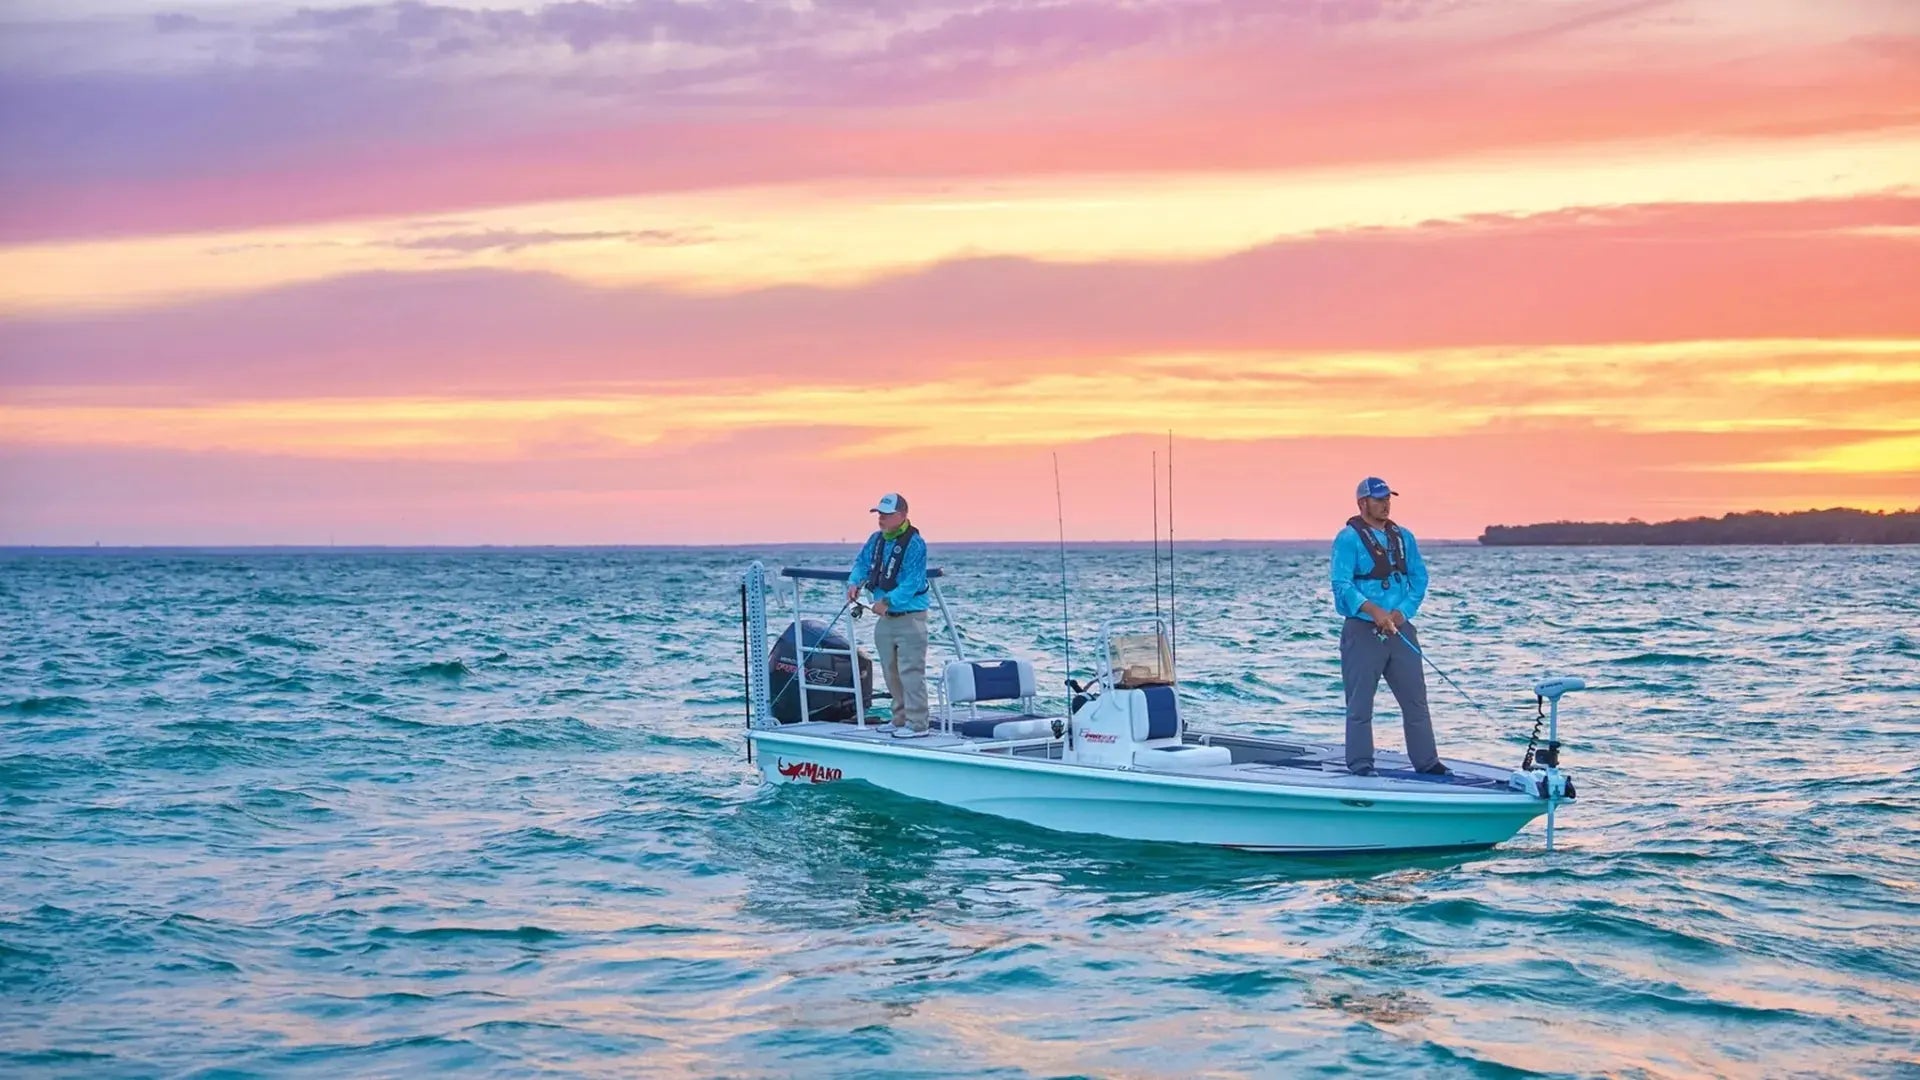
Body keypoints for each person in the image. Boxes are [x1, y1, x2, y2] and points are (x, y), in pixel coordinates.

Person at [1330, 477, 1447, 777]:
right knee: (1360, 704)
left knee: (1416, 700)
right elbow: (1341, 585)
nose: (1385, 504)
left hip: (1399, 629)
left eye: (1388, 498)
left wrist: (1401, 613)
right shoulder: (1347, 539)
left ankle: (1427, 762)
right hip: (1362, 630)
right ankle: (1361, 765)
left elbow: (1419, 579)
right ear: (1362, 503)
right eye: (1379, 498)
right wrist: (1372, 610)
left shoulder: (1404, 536)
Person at [846, 492, 931, 737]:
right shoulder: (876, 539)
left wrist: (889, 601)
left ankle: (918, 725)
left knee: (911, 671)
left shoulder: (915, 544)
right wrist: (854, 582)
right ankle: (900, 719)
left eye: (887, 514)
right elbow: (862, 564)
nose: (881, 519)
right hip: (885, 620)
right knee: (890, 671)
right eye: (879, 514)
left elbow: (913, 581)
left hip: (910, 617)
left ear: (902, 515)